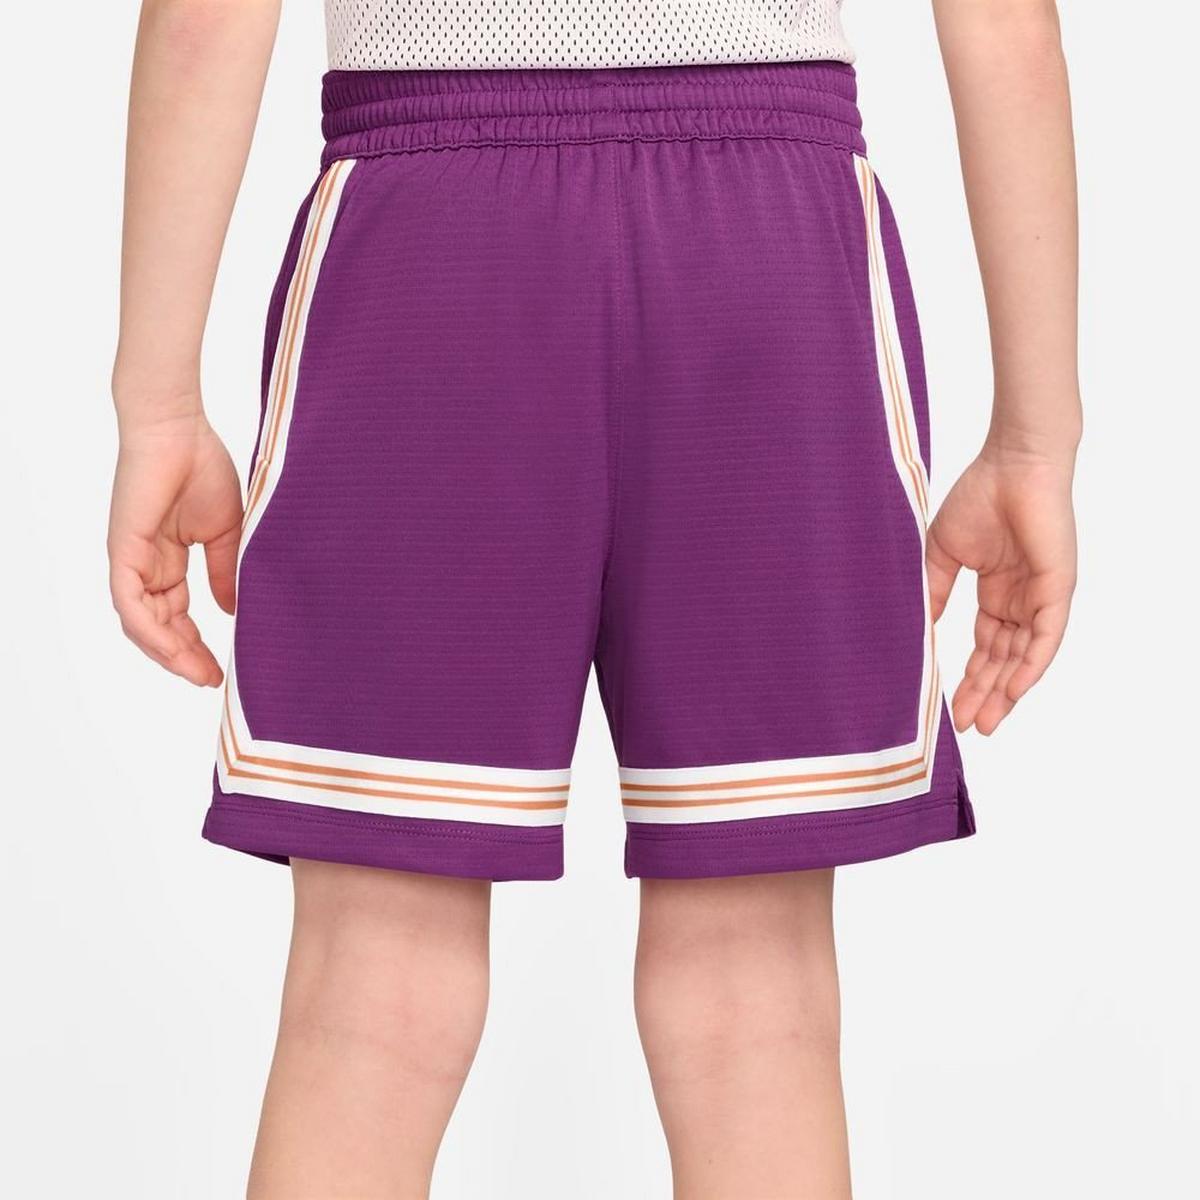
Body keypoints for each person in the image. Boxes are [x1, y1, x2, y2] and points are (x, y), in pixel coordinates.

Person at [108, 0, 1079, 1194]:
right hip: (772, 249)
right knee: (753, 1002)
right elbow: (1006, 26)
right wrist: (1035, 441)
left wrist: (157, 404)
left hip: (429, 240)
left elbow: (208, 18)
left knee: (373, 990)